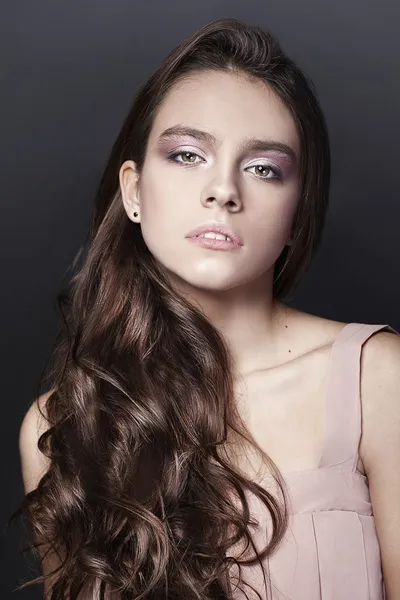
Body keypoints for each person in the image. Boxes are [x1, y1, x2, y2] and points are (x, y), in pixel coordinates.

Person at [13, 17, 400, 600]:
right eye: (188, 154)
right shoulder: (63, 426)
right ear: (134, 191)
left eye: (264, 168)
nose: (224, 190)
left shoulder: (379, 380)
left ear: (297, 214)